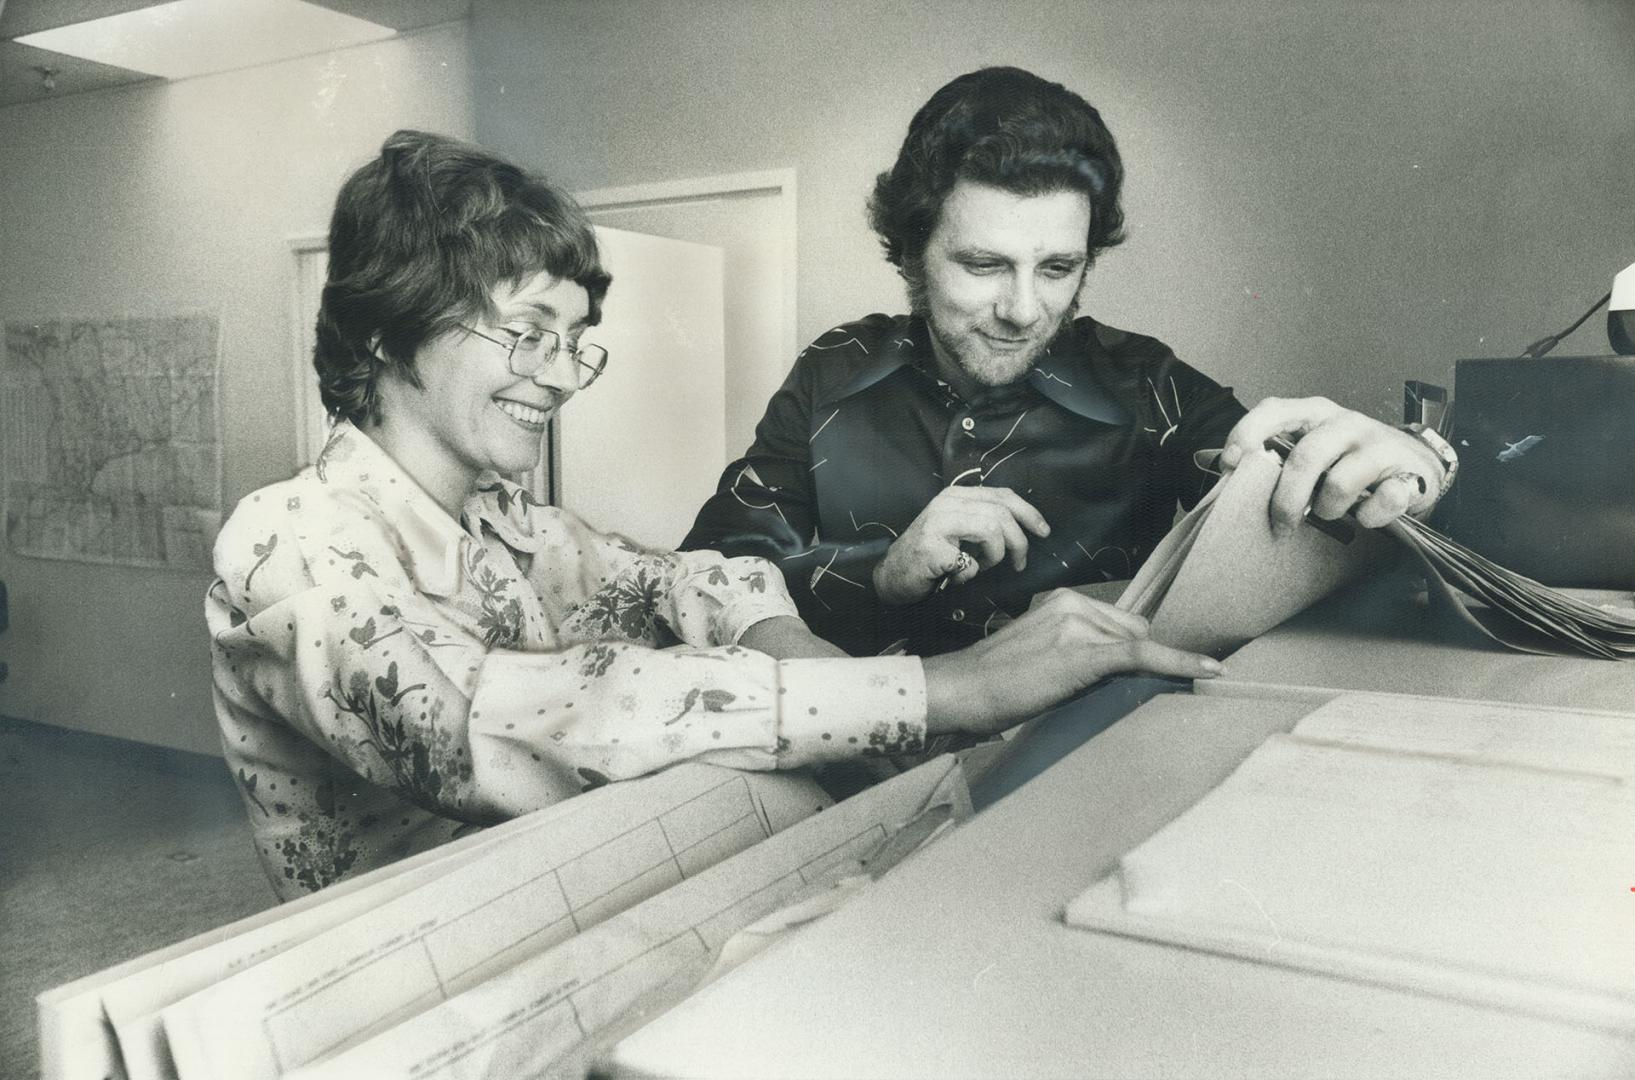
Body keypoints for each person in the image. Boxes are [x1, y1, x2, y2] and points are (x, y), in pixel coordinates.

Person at [206, 130, 1222, 899]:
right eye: (528, 335)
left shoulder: (515, 524)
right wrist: (942, 691)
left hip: (554, 910)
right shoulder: (287, 538)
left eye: (574, 341)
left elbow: (690, 574)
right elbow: (506, 718)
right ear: (388, 330)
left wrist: (811, 664)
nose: (560, 378)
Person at [682, 67, 1457, 658]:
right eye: (984, 265)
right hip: (851, 764)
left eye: (1056, 269)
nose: (1023, 310)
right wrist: (880, 573)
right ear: (912, 254)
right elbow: (706, 573)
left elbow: (1303, 503)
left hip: (1067, 764)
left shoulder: (1146, 383)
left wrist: (1405, 467)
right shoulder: (832, 369)